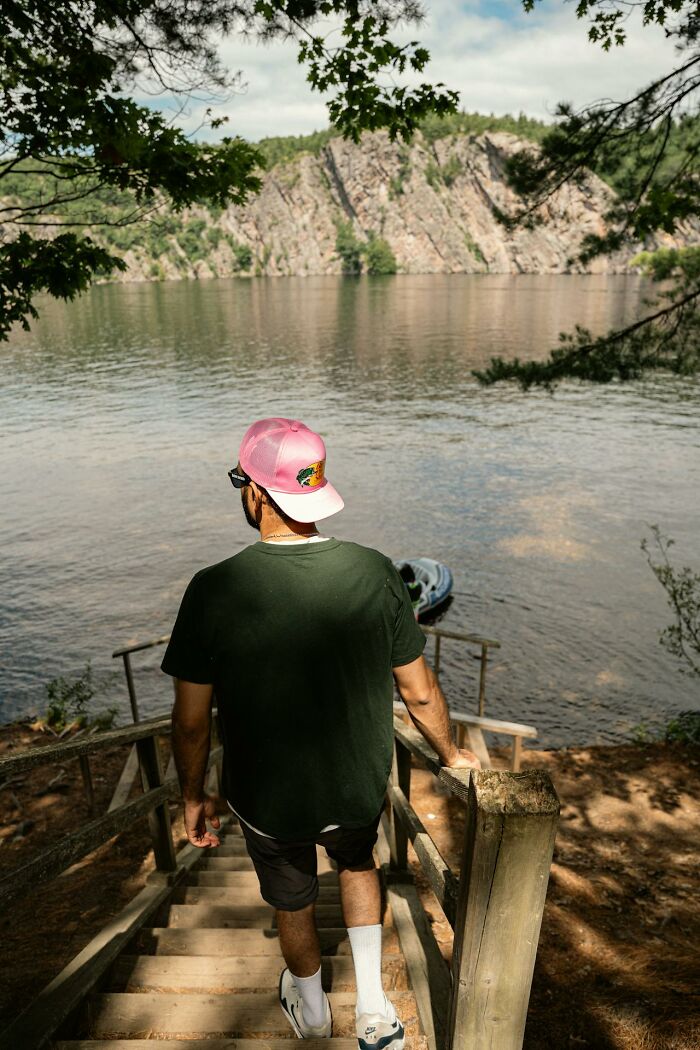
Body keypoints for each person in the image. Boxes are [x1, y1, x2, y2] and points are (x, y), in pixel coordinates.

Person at [161, 417, 480, 1050]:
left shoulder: (213, 588)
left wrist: (192, 796)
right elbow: (418, 691)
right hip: (356, 784)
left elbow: (192, 720)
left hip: (266, 797)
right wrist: (452, 753)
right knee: (358, 868)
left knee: (293, 898)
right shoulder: (373, 571)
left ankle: (309, 1009)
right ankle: (373, 1009)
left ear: (255, 492)